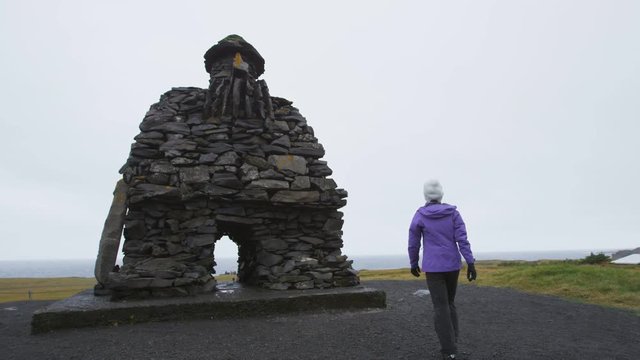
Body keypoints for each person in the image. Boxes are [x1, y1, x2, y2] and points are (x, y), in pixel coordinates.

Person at [408, 179, 477, 360]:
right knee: (449, 303)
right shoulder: (453, 214)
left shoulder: (420, 215)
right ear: (441, 194)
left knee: (440, 307)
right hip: (452, 265)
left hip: (433, 268)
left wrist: (413, 262)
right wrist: (470, 262)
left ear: (425, 195)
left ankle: (449, 349)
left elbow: (413, 242)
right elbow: (462, 239)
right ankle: (453, 342)